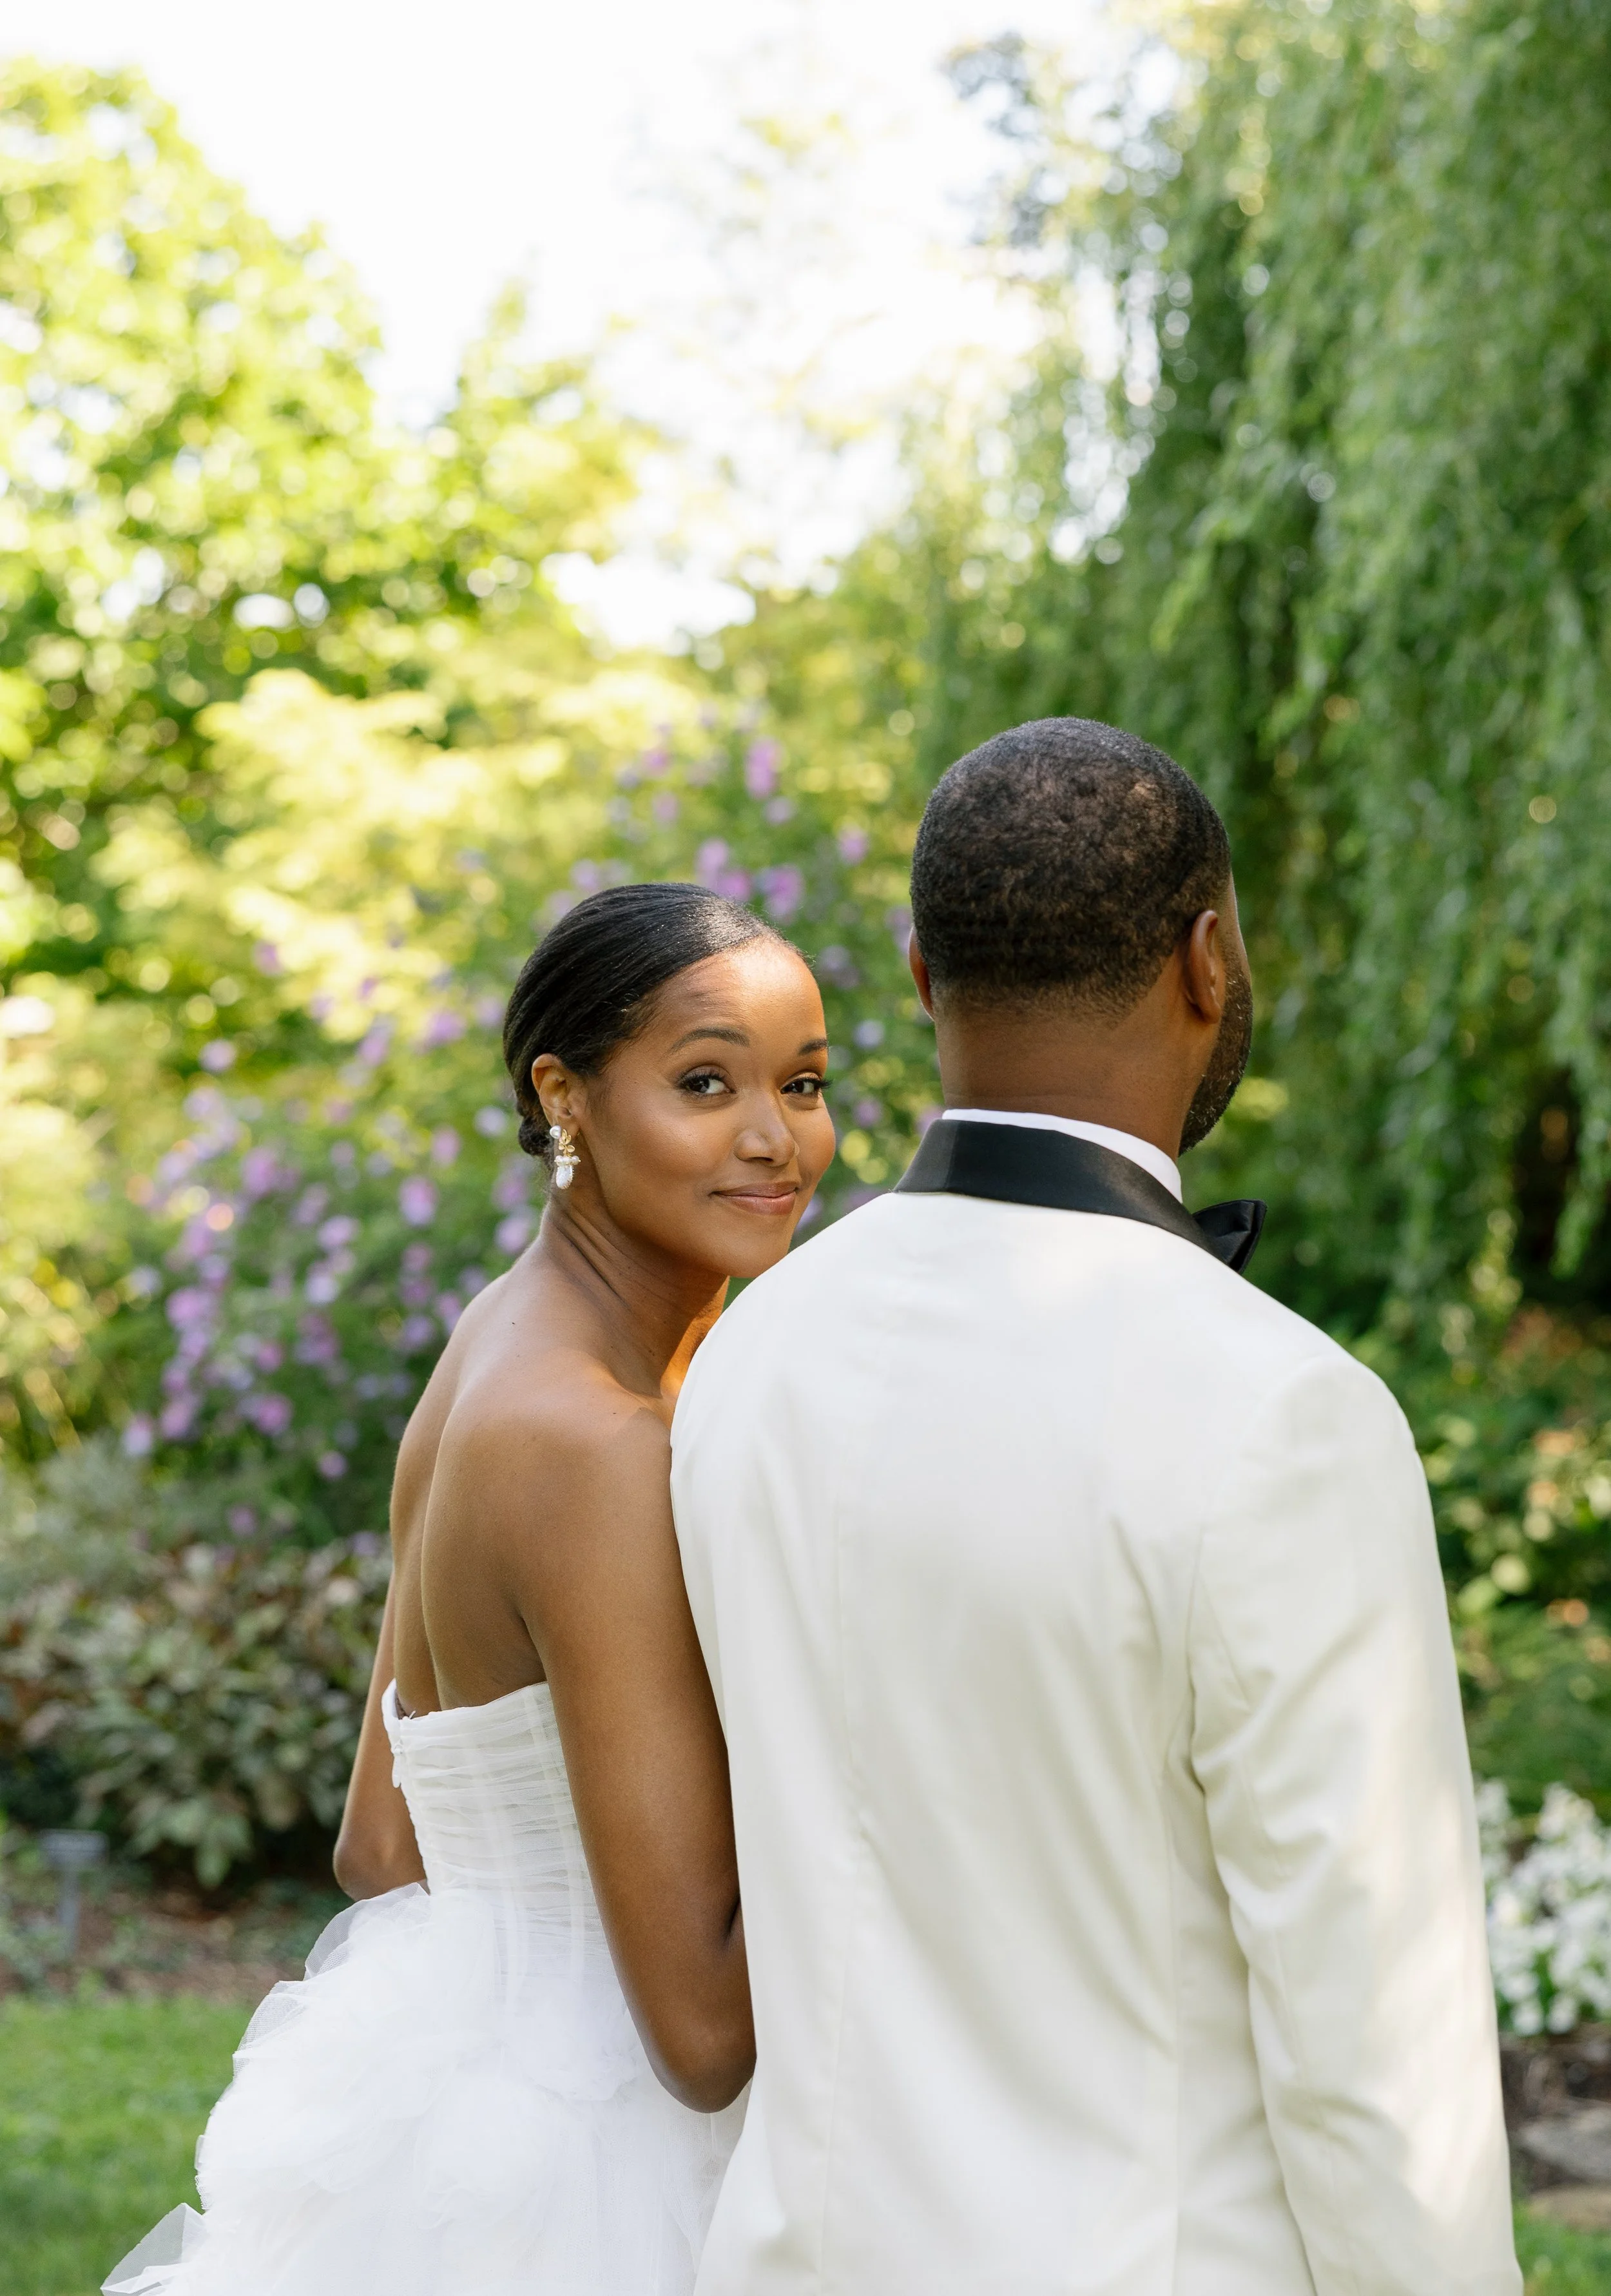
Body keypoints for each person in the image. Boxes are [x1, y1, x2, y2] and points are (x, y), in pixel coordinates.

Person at [671, 717, 1519, 2296]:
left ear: (922, 974)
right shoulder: (1283, 1414)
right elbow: (1372, 2042)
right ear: (1207, 961)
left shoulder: (747, 1353)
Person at [105, 882, 836, 2296]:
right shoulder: (594, 1442)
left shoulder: (494, 1338)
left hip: (455, 2102)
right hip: (607, 2163)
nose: (774, 1136)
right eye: (705, 1081)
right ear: (562, 1095)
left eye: (802, 1083)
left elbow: (381, 1842)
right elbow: (697, 2035)